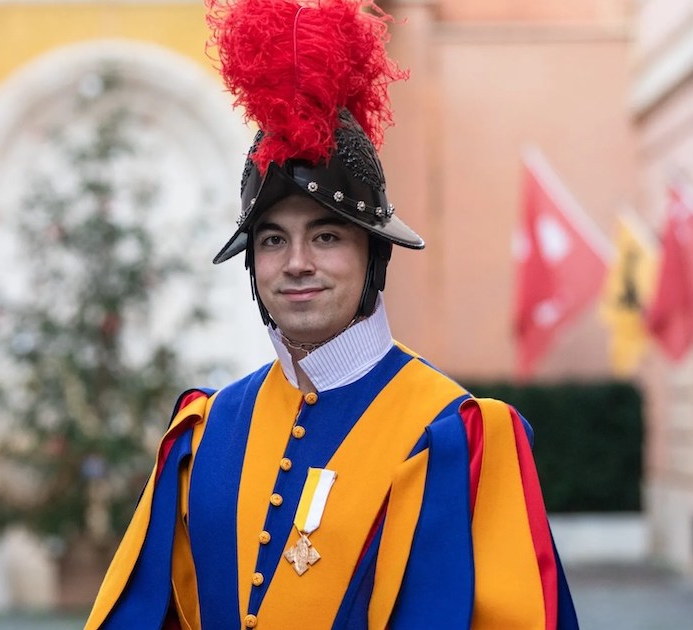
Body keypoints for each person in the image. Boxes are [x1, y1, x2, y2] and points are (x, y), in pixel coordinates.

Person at [87, 0, 579, 627]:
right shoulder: (203, 433)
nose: (295, 263)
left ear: (373, 254)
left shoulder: (455, 435)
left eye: (325, 237)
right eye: (272, 239)